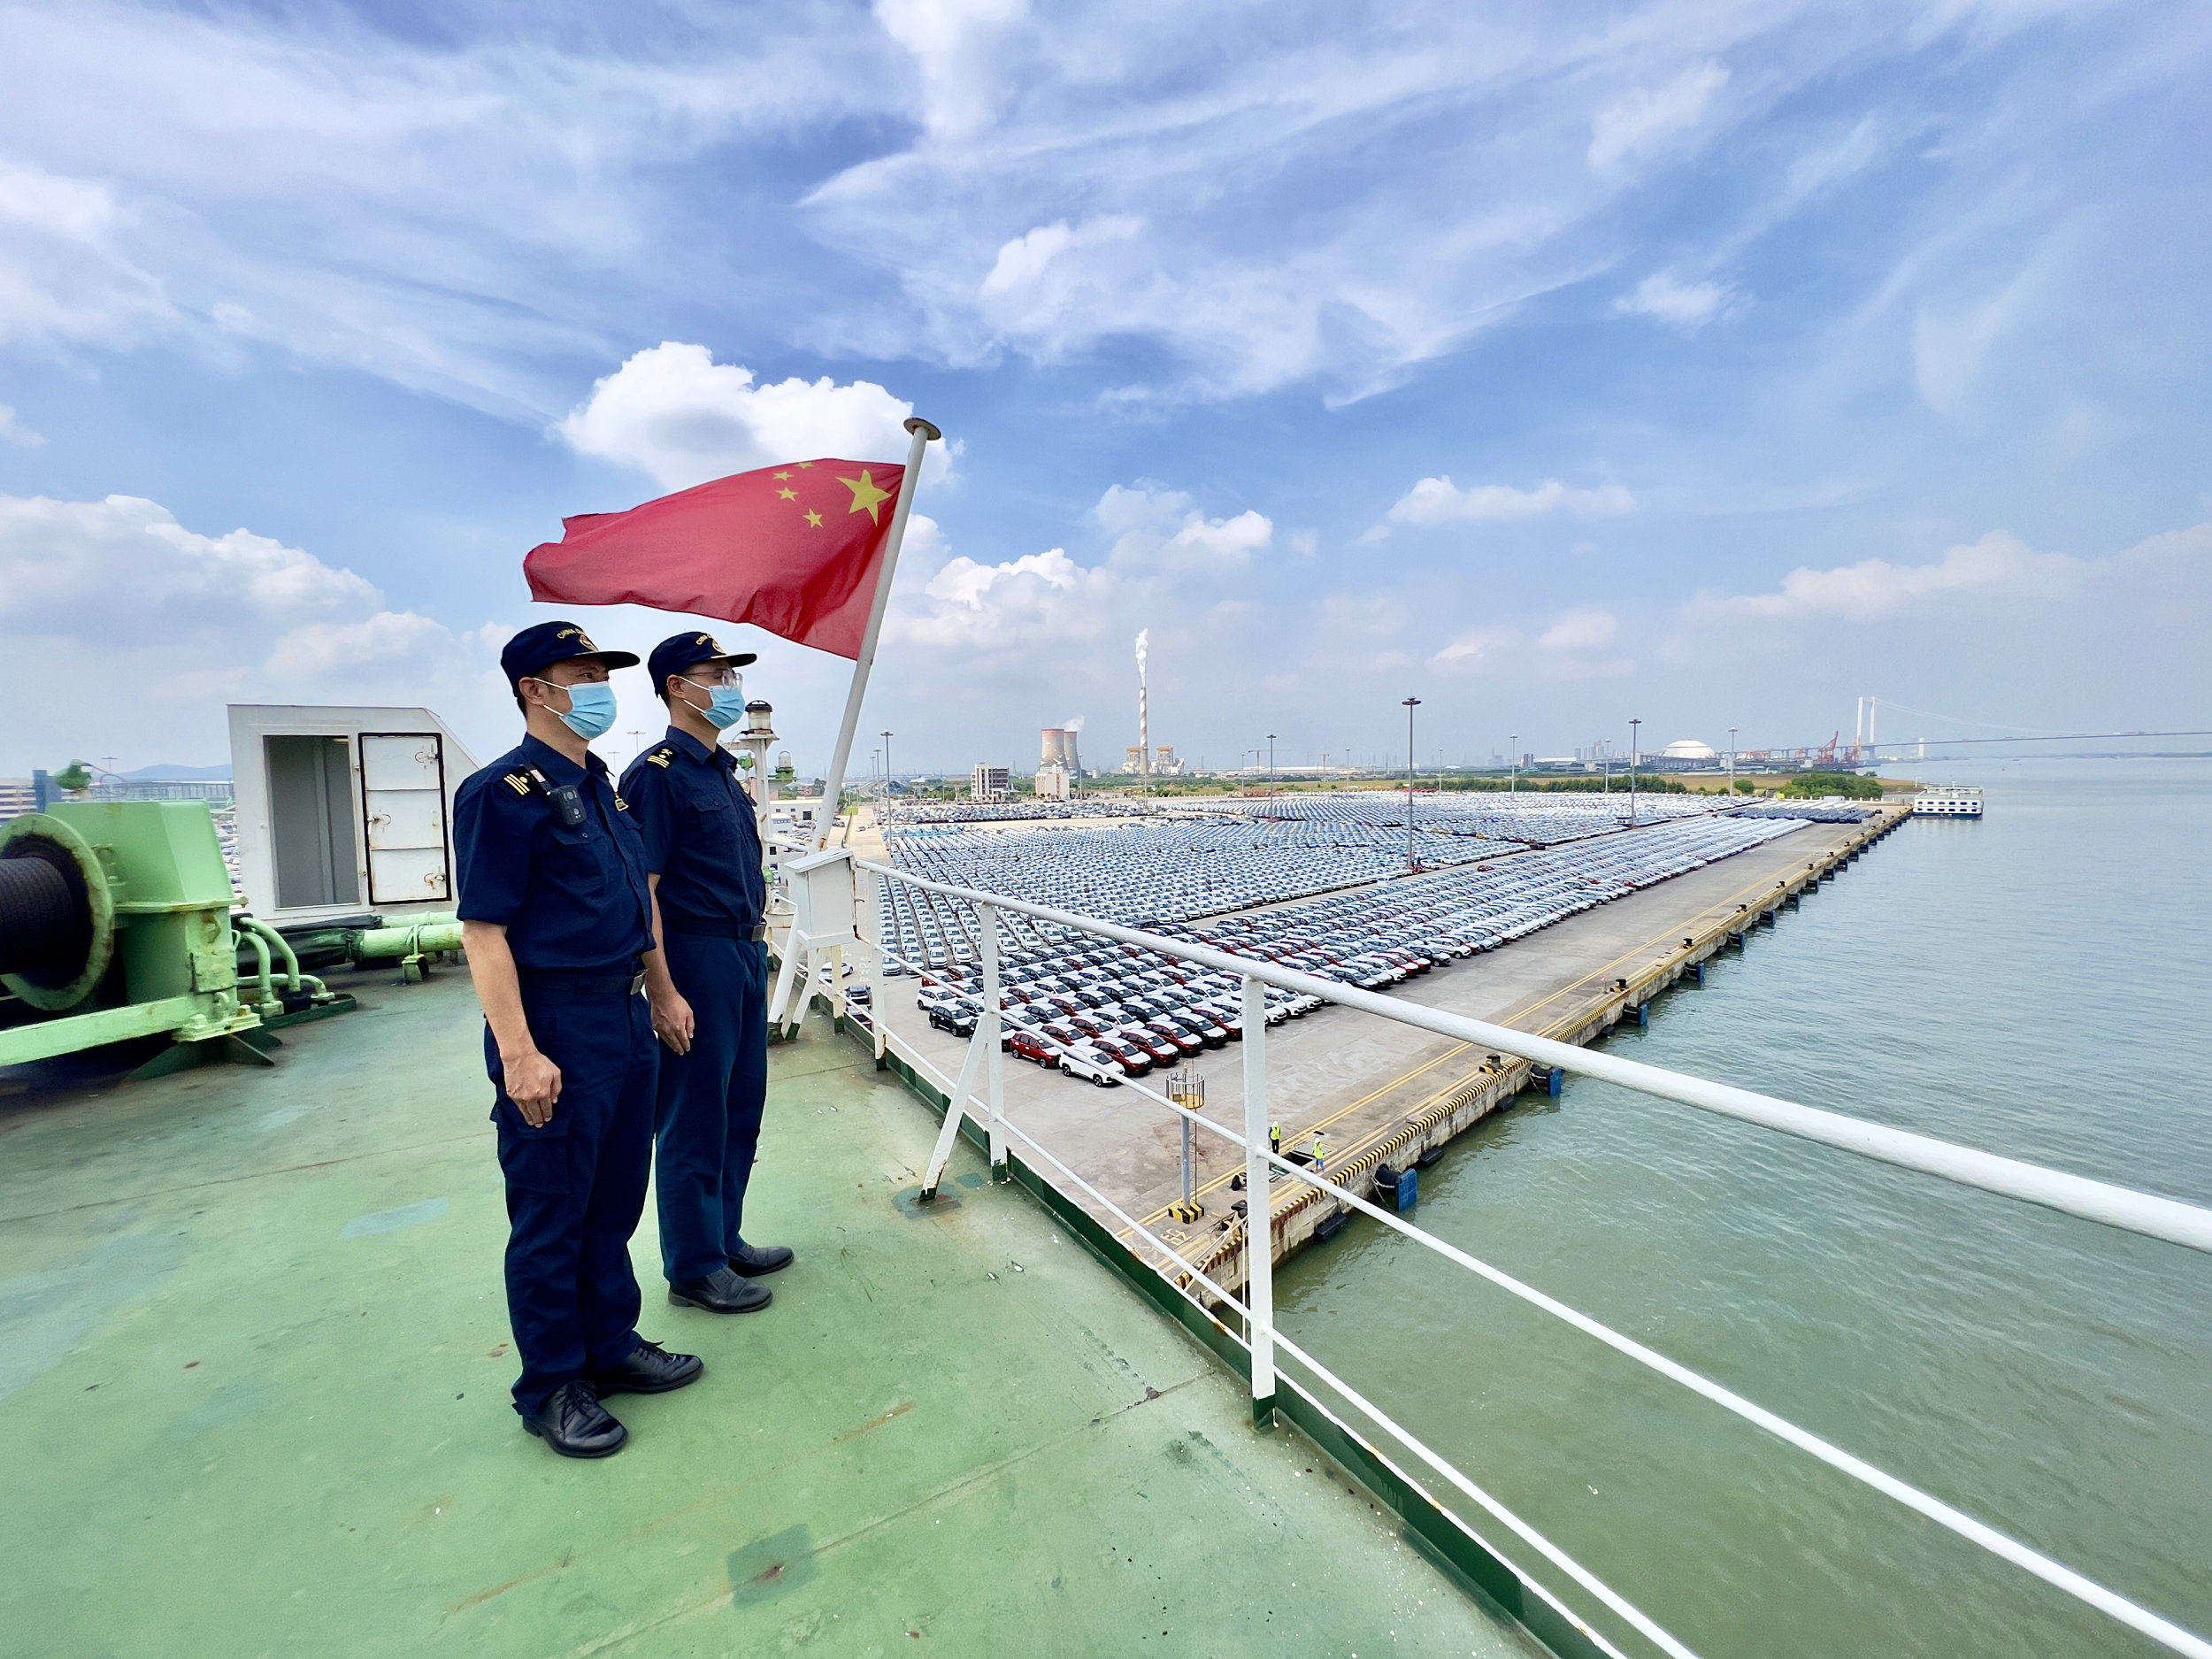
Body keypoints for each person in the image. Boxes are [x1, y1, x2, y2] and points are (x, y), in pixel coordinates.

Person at [454, 620, 703, 1458]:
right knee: (553, 1211)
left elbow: (639, 908)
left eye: (603, 670)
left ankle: (611, 1346)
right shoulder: (503, 793)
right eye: (582, 670)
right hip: (554, 1022)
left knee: (613, 1200)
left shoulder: (606, 790)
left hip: (624, 1017)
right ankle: (552, 1383)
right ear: (535, 689)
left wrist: (662, 992)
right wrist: (520, 1052)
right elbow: (484, 933)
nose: (598, 683)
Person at [621, 631, 793, 1316]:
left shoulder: (722, 771)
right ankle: (693, 1265)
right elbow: (647, 893)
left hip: (745, 954)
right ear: (675, 687)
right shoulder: (656, 775)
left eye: (730, 674)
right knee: (694, 1114)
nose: (728, 685)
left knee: (739, 1108)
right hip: (695, 957)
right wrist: (663, 990)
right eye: (714, 673)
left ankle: (724, 1237)